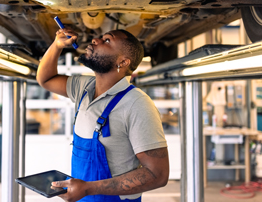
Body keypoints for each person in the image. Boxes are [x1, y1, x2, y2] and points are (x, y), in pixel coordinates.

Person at [36, 27, 169, 202]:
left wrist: (88, 188)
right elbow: (45, 79)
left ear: (123, 62)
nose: (94, 40)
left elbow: (157, 174)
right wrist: (57, 45)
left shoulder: (137, 104)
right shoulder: (85, 88)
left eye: (107, 40)